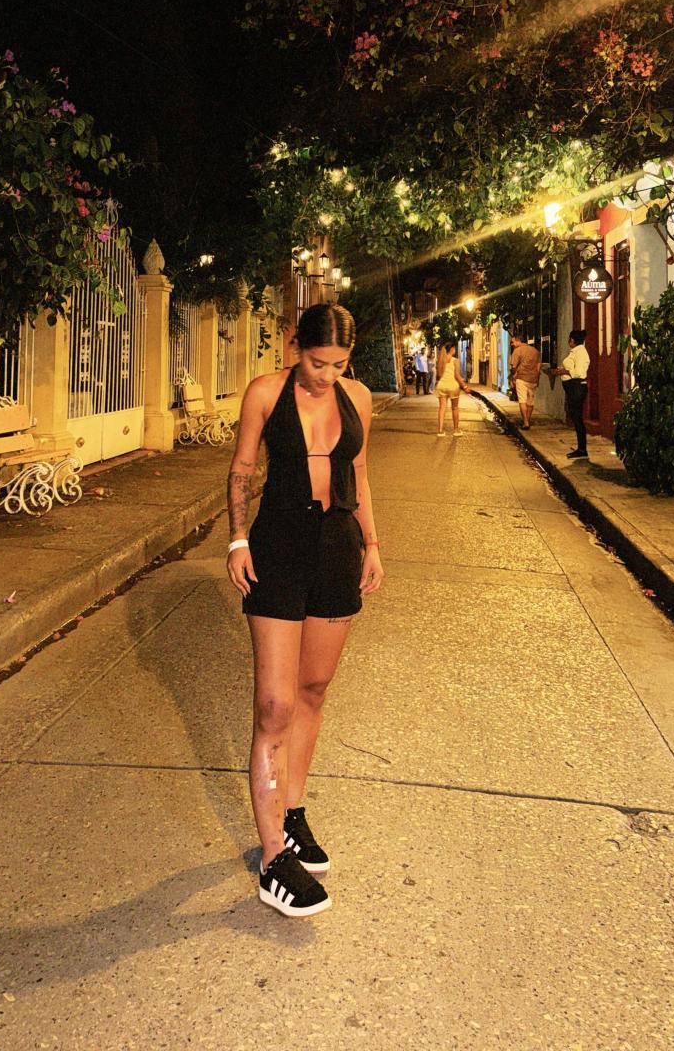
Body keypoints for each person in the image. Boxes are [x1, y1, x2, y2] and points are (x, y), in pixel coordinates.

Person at [226, 303, 384, 918]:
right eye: (318, 363)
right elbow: (243, 470)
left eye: (339, 365)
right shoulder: (266, 393)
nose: (327, 376)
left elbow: (360, 476)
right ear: (297, 347)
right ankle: (273, 860)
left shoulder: (358, 399)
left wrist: (372, 545)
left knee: (313, 689)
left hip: (337, 547)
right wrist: (237, 540)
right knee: (275, 704)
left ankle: (292, 814)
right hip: (279, 546)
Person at [552, 328, 590, 458]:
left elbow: (579, 372)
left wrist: (564, 371)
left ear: (572, 340)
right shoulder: (575, 352)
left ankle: (582, 449)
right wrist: (562, 370)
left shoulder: (581, 353)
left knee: (577, 418)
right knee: (575, 417)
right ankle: (581, 448)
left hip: (577, 388)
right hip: (572, 388)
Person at [508, 332, 542, 430]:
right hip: (533, 379)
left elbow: (513, 367)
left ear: (518, 341)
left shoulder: (517, 351)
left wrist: (512, 377)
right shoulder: (535, 351)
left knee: (522, 400)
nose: (512, 344)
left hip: (521, 378)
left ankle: (525, 422)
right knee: (530, 401)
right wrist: (537, 378)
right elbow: (538, 367)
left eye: (513, 342)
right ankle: (528, 419)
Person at [434, 339, 468, 437]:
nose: (455, 350)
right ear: (452, 349)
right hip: (453, 386)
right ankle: (456, 430)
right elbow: (457, 375)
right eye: (454, 349)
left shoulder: (441, 361)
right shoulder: (455, 360)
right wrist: (464, 386)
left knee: (442, 408)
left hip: (442, 385)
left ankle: (440, 431)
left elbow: (439, 375)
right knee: (455, 408)